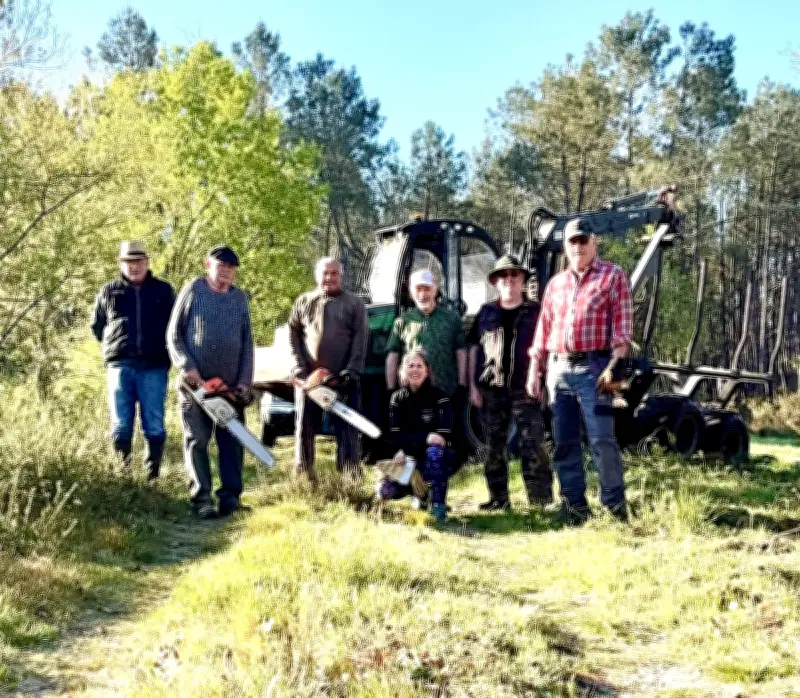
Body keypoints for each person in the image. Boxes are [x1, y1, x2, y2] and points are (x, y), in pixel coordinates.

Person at [526, 218, 632, 524]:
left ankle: (614, 507)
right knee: (564, 441)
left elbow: (623, 329)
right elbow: (542, 330)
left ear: (594, 242)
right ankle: (573, 506)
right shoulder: (555, 285)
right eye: (572, 241)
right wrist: (536, 369)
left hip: (596, 368)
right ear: (565, 246)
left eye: (583, 240)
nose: (578, 246)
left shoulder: (612, 276)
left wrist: (615, 366)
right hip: (558, 370)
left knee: (602, 440)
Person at [167, 245, 254, 519]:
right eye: (221, 265)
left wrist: (244, 381)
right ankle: (201, 499)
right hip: (196, 386)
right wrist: (187, 366)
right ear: (208, 265)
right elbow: (173, 334)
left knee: (232, 442)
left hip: (228, 388)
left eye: (230, 267)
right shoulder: (194, 289)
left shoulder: (239, 299)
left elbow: (247, 343)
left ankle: (230, 498)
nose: (226, 270)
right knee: (198, 440)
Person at [468, 254, 553, 511]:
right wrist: (472, 385)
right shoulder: (486, 313)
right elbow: (473, 349)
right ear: (496, 282)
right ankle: (498, 499)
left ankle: (540, 501)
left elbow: (548, 349)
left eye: (514, 275)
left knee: (533, 444)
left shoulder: (537, 312)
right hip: (492, 389)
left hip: (526, 388)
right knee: (494, 447)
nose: (509, 280)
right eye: (503, 275)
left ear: (523, 281)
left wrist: (545, 382)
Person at [91, 241, 175, 480]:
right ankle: (123, 477)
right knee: (121, 426)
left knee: (154, 426)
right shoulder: (109, 290)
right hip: (120, 365)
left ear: (147, 262)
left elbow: (176, 326)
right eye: (129, 262)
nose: (134, 266)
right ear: (121, 264)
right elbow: (97, 326)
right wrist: (115, 347)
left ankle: (152, 479)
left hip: (154, 365)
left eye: (138, 261)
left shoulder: (163, 290)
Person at [289, 257, 369, 481]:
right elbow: (293, 334)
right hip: (310, 378)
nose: (329, 278)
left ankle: (350, 477)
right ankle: (303, 476)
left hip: (342, 377)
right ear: (317, 275)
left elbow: (361, 339)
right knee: (304, 428)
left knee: (348, 430)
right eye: (325, 273)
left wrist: (351, 371)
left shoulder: (354, 304)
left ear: (341, 275)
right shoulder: (304, 301)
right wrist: (299, 367)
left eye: (334, 273)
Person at [377, 350, 457, 522]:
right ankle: (421, 496)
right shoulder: (396, 399)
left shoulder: (440, 398)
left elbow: (441, 439)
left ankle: (438, 506)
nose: (415, 370)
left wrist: (410, 445)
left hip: (437, 459)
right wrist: (424, 438)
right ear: (403, 370)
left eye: (419, 366)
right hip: (408, 459)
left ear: (427, 370)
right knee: (384, 490)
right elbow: (395, 437)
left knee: (435, 453)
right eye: (410, 365)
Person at [385, 268, 468, 409]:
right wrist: (391, 389)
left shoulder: (451, 318)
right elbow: (393, 356)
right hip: (412, 394)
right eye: (418, 289)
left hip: (446, 390)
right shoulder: (403, 321)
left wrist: (462, 384)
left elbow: (461, 352)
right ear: (411, 293)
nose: (423, 294)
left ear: (435, 290)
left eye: (427, 289)